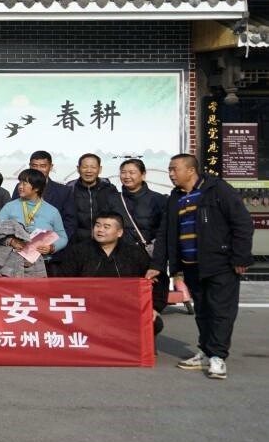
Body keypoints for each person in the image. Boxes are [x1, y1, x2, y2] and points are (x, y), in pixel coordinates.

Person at [146, 154, 253, 380]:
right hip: (191, 265)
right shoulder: (175, 197)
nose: (171, 174)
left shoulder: (217, 189)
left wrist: (240, 257)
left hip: (221, 263)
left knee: (221, 311)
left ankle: (218, 357)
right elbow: (165, 233)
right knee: (202, 311)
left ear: (191, 170)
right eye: (170, 169)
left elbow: (242, 223)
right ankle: (206, 351)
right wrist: (158, 264)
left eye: (175, 169)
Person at [0, 168, 68, 277]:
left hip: (43, 264)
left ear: (36, 188)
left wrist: (52, 247)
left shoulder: (52, 211)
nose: (20, 186)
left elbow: (63, 236)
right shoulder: (9, 207)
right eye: (20, 183)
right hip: (11, 264)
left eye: (24, 183)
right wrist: (11, 241)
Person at [118, 158, 169, 316]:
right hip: (121, 260)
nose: (127, 176)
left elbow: (164, 233)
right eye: (123, 172)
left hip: (149, 259)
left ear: (143, 175)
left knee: (151, 307)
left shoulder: (158, 200)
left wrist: (158, 263)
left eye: (132, 172)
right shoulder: (113, 199)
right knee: (123, 307)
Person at [12, 150, 76, 240]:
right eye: (34, 166)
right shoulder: (20, 187)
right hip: (23, 240)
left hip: (53, 243)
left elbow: (70, 222)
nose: (38, 170)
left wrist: (55, 242)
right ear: (29, 166)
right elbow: (12, 214)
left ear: (51, 167)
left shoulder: (64, 191)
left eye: (43, 166)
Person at [67, 153, 125, 246]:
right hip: (76, 243)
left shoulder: (109, 189)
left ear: (100, 169)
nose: (89, 171)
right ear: (78, 169)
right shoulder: (69, 189)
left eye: (93, 167)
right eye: (85, 167)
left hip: (104, 243)